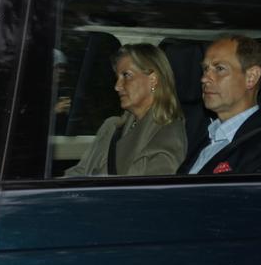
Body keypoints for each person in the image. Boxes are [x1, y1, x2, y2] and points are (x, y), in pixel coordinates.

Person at [65, 43, 186, 176]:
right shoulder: (111, 127)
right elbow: (79, 173)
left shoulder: (167, 135)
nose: (117, 86)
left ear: (153, 80)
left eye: (126, 76)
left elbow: (150, 193)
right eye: (117, 78)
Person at [178, 35, 261, 174]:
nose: (204, 78)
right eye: (205, 69)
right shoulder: (204, 134)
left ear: (251, 77)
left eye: (219, 69)